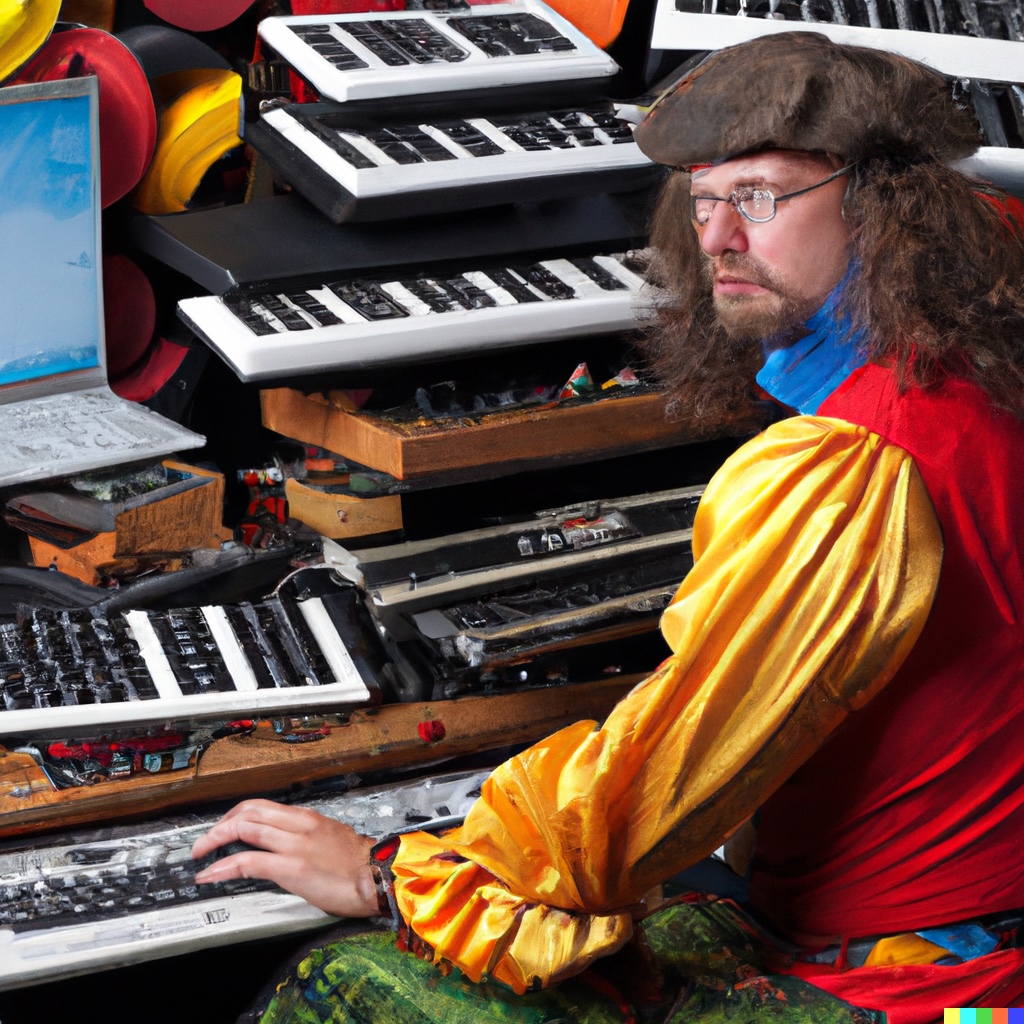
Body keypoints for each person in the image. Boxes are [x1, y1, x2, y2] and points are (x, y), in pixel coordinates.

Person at [192, 31, 1024, 1023]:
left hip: (908, 980)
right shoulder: (984, 341)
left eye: (758, 196)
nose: (716, 237)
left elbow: (640, 797)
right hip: (970, 925)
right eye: (703, 199)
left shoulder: (855, 467)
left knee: (344, 985)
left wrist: (388, 869)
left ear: (889, 205)